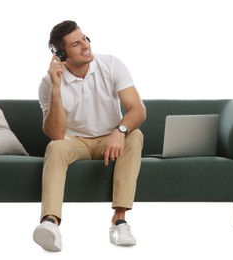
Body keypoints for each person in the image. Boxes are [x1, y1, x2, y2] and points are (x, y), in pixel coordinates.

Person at [33, 20, 146, 252]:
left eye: (85, 38)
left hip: (110, 138)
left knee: (135, 136)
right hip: (76, 142)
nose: (85, 45)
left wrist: (120, 131)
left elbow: (138, 110)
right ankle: (50, 223)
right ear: (62, 54)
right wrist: (56, 87)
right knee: (56, 147)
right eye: (76, 43)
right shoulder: (48, 83)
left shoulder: (111, 64)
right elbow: (56, 134)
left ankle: (120, 220)